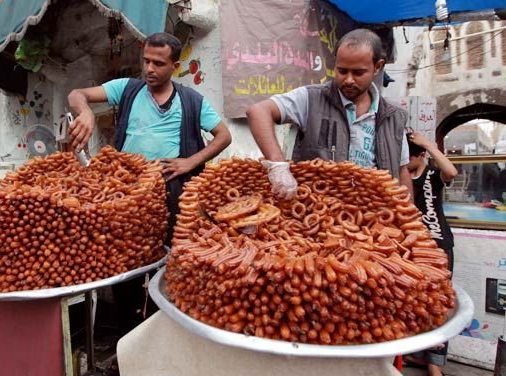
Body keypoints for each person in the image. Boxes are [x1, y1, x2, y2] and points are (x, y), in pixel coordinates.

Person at [67, 32, 231, 331]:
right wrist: (86, 112)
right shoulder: (127, 89)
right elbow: (77, 94)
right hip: (127, 195)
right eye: (146, 61)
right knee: (125, 263)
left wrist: (190, 162)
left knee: (168, 264)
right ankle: (126, 336)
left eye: (159, 63)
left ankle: (160, 332)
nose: (150, 69)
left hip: (171, 194)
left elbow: (224, 135)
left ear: (175, 65)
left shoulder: (192, 101)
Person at [246, 28, 412, 199]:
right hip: (317, 215)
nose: (348, 79)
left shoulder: (394, 117)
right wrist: (278, 165)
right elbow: (258, 111)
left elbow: (401, 170)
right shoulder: (311, 99)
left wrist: (410, 218)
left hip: (373, 216)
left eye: (358, 73)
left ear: (378, 67)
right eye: (342, 71)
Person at [406, 131, 458, 376]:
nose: (405, 161)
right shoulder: (401, 178)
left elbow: (452, 172)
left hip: (438, 247)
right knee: (414, 302)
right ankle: (416, 355)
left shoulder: (433, 176)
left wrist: (428, 144)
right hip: (413, 249)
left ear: (421, 155)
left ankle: (434, 365)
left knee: (439, 304)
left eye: (409, 157)